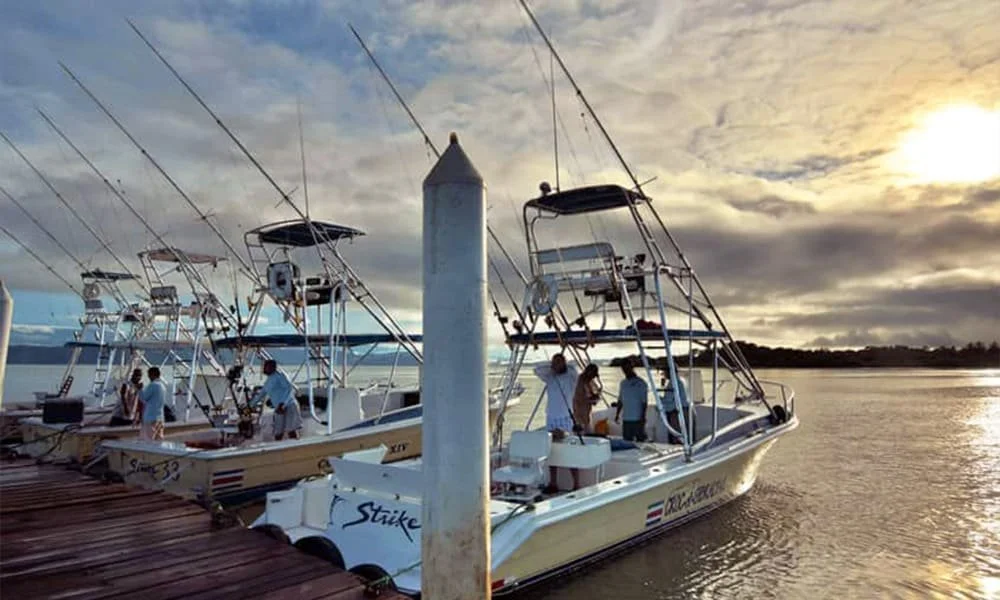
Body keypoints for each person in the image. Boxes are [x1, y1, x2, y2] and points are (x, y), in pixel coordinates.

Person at [533, 353, 579, 492]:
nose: (555, 365)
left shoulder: (571, 376)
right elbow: (537, 369)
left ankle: (576, 484)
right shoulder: (550, 377)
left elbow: (573, 366)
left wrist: (562, 364)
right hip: (551, 417)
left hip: (565, 418)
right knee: (551, 452)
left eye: (559, 362)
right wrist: (552, 366)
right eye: (554, 362)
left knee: (569, 451)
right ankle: (553, 483)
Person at [250, 360, 301, 441]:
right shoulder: (268, 381)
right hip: (278, 409)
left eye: (266, 366)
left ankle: (296, 445)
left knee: (291, 430)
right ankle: (278, 447)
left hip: (289, 405)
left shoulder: (280, 376)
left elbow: (289, 389)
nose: (264, 368)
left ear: (272, 367)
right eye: (264, 366)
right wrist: (250, 405)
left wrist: (283, 404)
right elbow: (261, 394)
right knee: (278, 432)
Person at [614, 362, 648, 442]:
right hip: (626, 418)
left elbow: (644, 402)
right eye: (624, 369)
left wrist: (643, 417)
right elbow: (620, 400)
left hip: (637, 419)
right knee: (627, 441)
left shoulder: (641, 383)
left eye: (627, 368)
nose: (626, 371)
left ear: (632, 368)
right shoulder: (623, 383)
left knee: (640, 441)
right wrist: (617, 414)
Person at [663, 371, 695, 445]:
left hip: (679, 412)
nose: (664, 375)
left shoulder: (673, 383)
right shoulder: (682, 380)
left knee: (678, 437)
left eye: (664, 372)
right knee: (687, 437)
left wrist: (659, 399)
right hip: (687, 410)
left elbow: (668, 399)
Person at [138, 366, 168, 441]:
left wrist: (140, 389)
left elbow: (143, 398)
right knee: (159, 441)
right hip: (160, 418)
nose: (148, 377)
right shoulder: (163, 386)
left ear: (153, 374)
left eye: (149, 374)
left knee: (148, 441)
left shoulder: (153, 385)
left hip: (150, 418)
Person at [572, 364, 601, 434]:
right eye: (593, 375)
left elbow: (592, 395)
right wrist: (593, 398)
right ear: (589, 372)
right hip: (579, 413)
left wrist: (595, 396)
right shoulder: (580, 381)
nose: (593, 377)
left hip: (587, 412)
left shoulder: (589, 381)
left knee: (588, 430)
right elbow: (580, 397)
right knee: (582, 431)